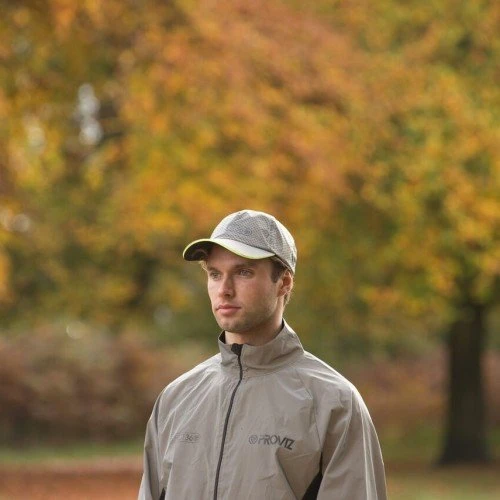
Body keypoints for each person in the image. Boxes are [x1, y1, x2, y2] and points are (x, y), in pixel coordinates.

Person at [138, 209, 387, 500]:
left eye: (243, 272)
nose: (224, 290)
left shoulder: (334, 402)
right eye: (215, 274)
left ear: (284, 282)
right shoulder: (176, 398)